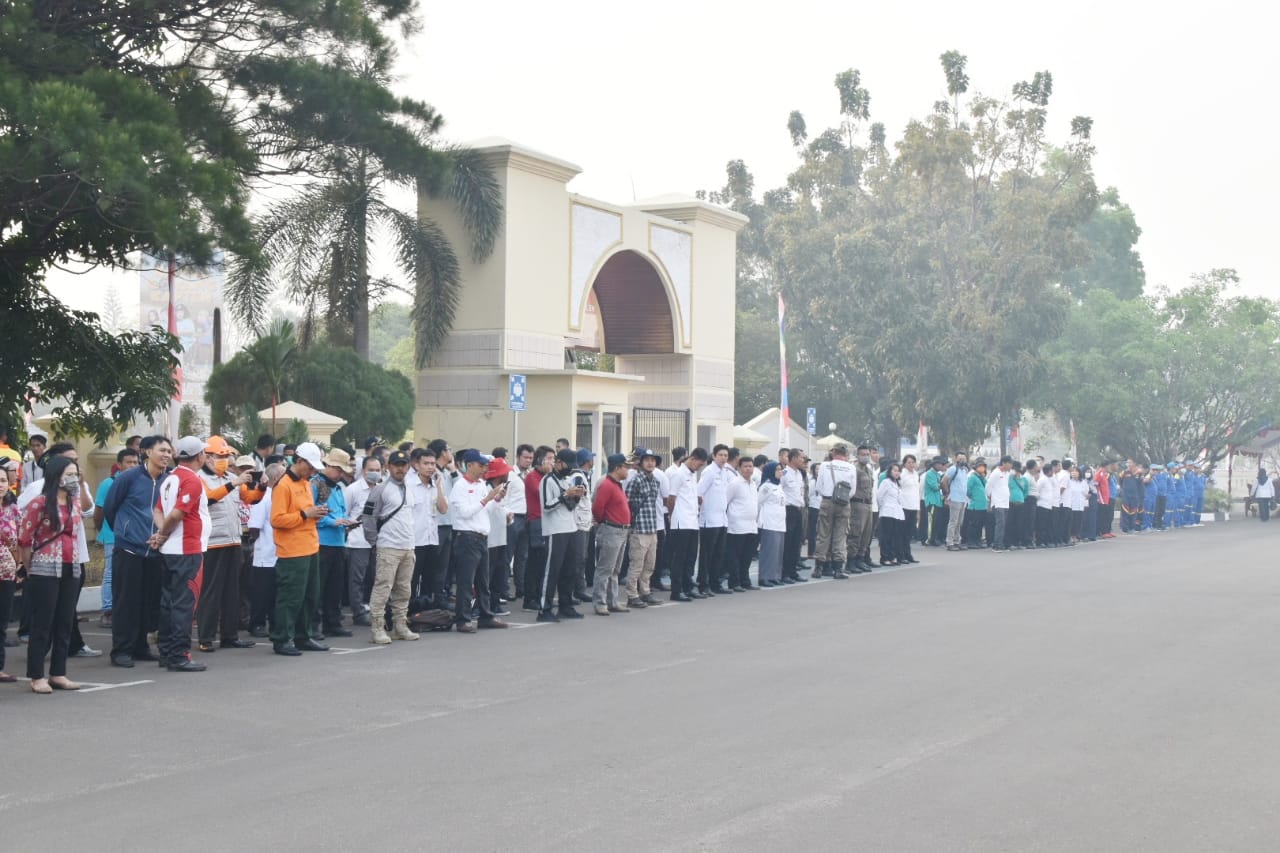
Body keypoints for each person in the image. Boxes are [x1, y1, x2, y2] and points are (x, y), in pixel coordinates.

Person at [17, 456, 84, 692]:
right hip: (44, 568)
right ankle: (37, 676)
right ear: (56, 475)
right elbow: (25, 539)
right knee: (43, 623)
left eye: (76, 473)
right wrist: (29, 567)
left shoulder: (74, 502)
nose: (73, 478)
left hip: (71, 565)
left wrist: (81, 485)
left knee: (64, 621)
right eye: (69, 473)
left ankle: (58, 672)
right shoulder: (40, 503)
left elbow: (85, 513)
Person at [148, 437, 211, 672]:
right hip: (187, 549)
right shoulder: (191, 480)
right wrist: (163, 533)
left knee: (169, 603)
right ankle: (178, 654)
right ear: (199, 456)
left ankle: (167, 651)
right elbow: (175, 515)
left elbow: (158, 510)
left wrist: (161, 533)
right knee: (185, 604)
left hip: (172, 550)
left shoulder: (170, 479)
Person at [196, 436, 263, 653]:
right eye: (220, 456)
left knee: (232, 591)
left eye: (226, 456)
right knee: (211, 591)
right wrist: (233, 483)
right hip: (213, 542)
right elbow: (207, 499)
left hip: (233, 540)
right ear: (207, 458)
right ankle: (205, 637)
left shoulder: (231, 478)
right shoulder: (200, 479)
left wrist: (261, 488)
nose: (225, 460)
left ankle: (229, 635)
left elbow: (250, 498)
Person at [269, 442, 331, 657]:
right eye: (310, 466)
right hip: (292, 550)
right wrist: (306, 514)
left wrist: (314, 513)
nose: (313, 471)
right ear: (299, 461)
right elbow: (276, 519)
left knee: (309, 596)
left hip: (310, 546)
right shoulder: (283, 484)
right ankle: (282, 638)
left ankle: (302, 636)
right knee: (291, 597)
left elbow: (305, 512)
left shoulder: (305, 482)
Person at [360, 450, 420, 643]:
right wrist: (374, 542)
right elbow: (368, 517)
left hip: (408, 545)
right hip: (388, 546)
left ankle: (400, 625)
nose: (400, 468)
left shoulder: (409, 489)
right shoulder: (381, 489)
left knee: (404, 589)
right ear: (388, 467)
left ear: (408, 467)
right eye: (396, 465)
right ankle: (377, 627)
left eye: (403, 465)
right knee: (382, 588)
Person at [447, 449, 509, 631]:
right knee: (466, 581)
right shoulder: (460, 486)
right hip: (466, 536)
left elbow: (486, 511)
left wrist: (496, 500)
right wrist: (486, 499)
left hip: (481, 536)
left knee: (483, 580)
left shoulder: (481, 484)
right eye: (481, 465)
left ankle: (485, 615)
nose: (484, 469)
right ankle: (463, 619)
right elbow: (464, 513)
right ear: (469, 464)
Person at [539, 448, 587, 620]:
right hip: (554, 530)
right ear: (558, 463)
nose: (570, 469)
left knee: (570, 570)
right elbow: (546, 506)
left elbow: (570, 506)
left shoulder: (567, 480)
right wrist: (565, 495)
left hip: (570, 527)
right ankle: (544, 608)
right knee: (552, 570)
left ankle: (565, 605)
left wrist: (576, 496)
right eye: (568, 465)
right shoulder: (547, 480)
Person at [313, 447, 356, 638]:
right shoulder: (316, 485)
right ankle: (314, 625)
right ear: (328, 466)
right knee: (318, 587)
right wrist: (333, 521)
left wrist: (347, 521)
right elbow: (311, 513)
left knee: (335, 586)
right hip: (322, 542)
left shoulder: (338, 488)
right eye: (338, 470)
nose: (340, 474)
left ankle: (333, 622)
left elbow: (341, 511)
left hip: (339, 541)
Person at [94, 447, 139, 628]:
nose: (132, 466)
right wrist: (103, 531)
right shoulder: (108, 483)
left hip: (134, 536)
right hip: (112, 535)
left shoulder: (140, 481)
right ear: (119, 465)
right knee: (111, 572)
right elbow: (99, 512)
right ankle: (108, 610)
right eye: (129, 462)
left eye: (136, 462)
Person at [590, 453, 632, 614]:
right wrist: (603, 522)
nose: (627, 470)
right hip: (611, 529)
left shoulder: (616, 484)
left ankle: (612, 600)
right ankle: (600, 602)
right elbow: (597, 508)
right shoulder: (607, 485)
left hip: (621, 530)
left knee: (614, 570)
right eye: (625, 467)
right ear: (617, 468)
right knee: (605, 568)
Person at [247, 463, 286, 636]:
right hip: (265, 552)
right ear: (276, 477)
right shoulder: (263, 496)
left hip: (280, 551)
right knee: (262, 592)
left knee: (275, 593)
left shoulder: (280, 495)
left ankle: (276, 623)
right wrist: (261, 543)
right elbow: (254, 527)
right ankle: (257, 624)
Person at [343, 455, 381, 626]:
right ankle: (358, 612)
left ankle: (374, 608)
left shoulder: (382, 489)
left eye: (378, 470)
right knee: (357, 578)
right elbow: (344, 513)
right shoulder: (353, 489)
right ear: (363, 470)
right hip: (357, 541)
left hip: (378, 541)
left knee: (375, 577)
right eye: (371, 470)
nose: (374, 473)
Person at [623, 448, 664, 608]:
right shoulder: (636, 480)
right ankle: (632, 595)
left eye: (653, 460)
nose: (650, 463)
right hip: (639, 528)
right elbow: (627, 502)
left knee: (650, 564)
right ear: (640, 462)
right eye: (647, 460)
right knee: (636, 564)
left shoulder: (655, 481)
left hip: (652, 527)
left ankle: (645, 592)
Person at [665, 447, 706, 600]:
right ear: (693, 459)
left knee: (691, 557)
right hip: (681, 522)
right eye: (699, 464)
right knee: (679, 558)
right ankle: (676, 590)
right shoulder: (678, 474)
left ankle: (688, 586)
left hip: (693, 521)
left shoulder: (692, 474)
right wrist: (672, 515)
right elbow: (671, 498)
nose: (700, 467)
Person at [813, 444, 855, 579]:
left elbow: (818, 486)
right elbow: (852, 490)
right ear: (845, 454)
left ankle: (819, 567)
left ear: (833, 452)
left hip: (827, 501)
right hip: (843, 503)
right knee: (840, 536)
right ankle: (838, 569)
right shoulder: (851, 467)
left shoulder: (825, 465)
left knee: (823, 535)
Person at [521, 446, 554, 612]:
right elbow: (542, 492)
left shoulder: (546, 477)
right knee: (535, 560)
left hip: (547, 521)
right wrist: (549, 475)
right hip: (536, 521)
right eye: (549, 459)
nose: (552, 462)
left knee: (543, 562)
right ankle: (529, 598)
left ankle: (539, 595)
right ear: (540, 460)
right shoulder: (533, 477)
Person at [697, 444, 731, 595]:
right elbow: (699, 492)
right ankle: (703, 585)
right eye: (721, 455)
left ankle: (715, 583)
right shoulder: (709, 472)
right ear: (714, 456)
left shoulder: (725, 472)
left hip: (722, 519)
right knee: (707, 555)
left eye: (725, 455)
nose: (723, 458)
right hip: (709, 519)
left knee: (719, 553)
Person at [483, 456, 513, 617]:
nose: (507, 475)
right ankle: (482, 605)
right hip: (489, 539)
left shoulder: (502, 489)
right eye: (504, 473)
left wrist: (509, 515)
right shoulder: (486, 488)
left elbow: (502, 507)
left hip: (500, 538)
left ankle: (494, 603)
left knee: (498, 573)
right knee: (486, 574)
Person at [725, 454, 759, 591]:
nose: (748, 469)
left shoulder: (753, 484)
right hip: (736, 526)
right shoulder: (734, 483)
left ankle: (746, 581)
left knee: (747, 556)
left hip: (751, 525)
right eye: (745, 466)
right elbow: (725, 502)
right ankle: (734, 582)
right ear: (739, 468)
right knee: (735, 557)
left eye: (750, 466)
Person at [505, 444, 534, 601]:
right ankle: (504, 589)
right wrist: (507, 513)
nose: (528, 461)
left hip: (527, 517)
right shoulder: (510, 475)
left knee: (522, 555)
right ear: (518, 457)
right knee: (507, 554)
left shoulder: (530, 474)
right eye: (525, 457)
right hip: (513, 516)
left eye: (531, 458)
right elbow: (505, 496)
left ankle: (520, 587)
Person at [0, 466, 19, 681]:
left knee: (2, 622)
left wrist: (19, 565)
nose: (0, 484)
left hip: (6, 574)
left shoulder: (13, 509)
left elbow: (21, 540)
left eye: (3, 480)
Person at [845, 446, 877, 573]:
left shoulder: (868, 470)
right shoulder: (854, 469)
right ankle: (850, 561)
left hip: (868, 504)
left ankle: (860, 559)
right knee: (855, 533)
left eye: (867, 454)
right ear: (857, 455)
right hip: (857, 505)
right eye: (863, 454)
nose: (866, 456)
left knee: (866, 535)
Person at [756, 462, 787, 587]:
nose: (780, 472)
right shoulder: (766, 487)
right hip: (769, 522)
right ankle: (765, 576)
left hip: (779, 522)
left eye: (781, 469)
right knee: (769, 551)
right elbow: (758, 502)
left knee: (778, 551)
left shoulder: (779, 486)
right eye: (778, 470)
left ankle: (775, 575)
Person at [780, 449, 807, 582]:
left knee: (796, 543)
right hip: (788, 510)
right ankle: (784, 573)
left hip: (798, 510)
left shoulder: (799, 474)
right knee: (788, 543)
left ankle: (793, 571)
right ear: (794, 458)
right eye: (801, 458)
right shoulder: (784, 473)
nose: (803, 461)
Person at [875, 462, 906, 566]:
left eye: (898, 471)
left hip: (897, 513)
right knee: (886, 536)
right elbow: (879, 496)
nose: (897, 473)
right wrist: (883, 507)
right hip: (887, 512)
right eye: (894, 470)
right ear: (889, 472)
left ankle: (892, 556)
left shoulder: (897, 484)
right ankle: (884, 557)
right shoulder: (886, 482)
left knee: (895, 536)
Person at [943, 452, 970, 551]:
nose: (962, 461)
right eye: (960, 459)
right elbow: (944, 481)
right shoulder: (953, 469)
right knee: (953, 521)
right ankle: (949, 542)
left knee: (960, 522)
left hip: (963, 499)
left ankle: (957, 541)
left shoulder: (965, 470)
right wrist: (947, 493)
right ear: (956, 459)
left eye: (964, 459)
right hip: (955, 498)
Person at [986, 456, 1012, 553]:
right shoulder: (996, 473)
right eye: (1010, 463)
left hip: (1005, 502)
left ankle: (1001, 543)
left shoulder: (1007, 474)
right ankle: (996, 545)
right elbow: (988, 486)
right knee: (1000, 524)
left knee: (1004, 524)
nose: (1011, 466)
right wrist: (989, 497)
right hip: (997, 502)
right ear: (1004, 463)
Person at [921, 456, 949, 547]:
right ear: (936, 465)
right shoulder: (929, 474)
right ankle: (929, 539)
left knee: (936, 521)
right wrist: (942, 484)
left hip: (937, 501)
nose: (942, 466)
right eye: (940, 464)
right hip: (931, 501)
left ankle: (934, 538)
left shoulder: (937, 474)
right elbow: (935, 487)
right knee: (931, 521)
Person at [899, 454, 921, 564]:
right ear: (904, 464)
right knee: (902, 532)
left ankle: (908, 554)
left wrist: (918, 509)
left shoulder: (916, 474)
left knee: (909, 533)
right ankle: (901, 555)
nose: (912, 464)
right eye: (909, 462)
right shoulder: (902, 474)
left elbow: (916, 492)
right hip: (904, 506)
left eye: (913, 462)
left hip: (913, 506)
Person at [964, 461, 989, 548]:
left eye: (983, 467)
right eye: (980, 466)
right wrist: (974, 497)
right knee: (974, 524)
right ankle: (971, 541)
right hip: (975, 505)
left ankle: (977, 540)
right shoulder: (972, 477)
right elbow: (968, 490)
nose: (982, 468)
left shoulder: (983, 478)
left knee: (980, 525)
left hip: (983, 505)